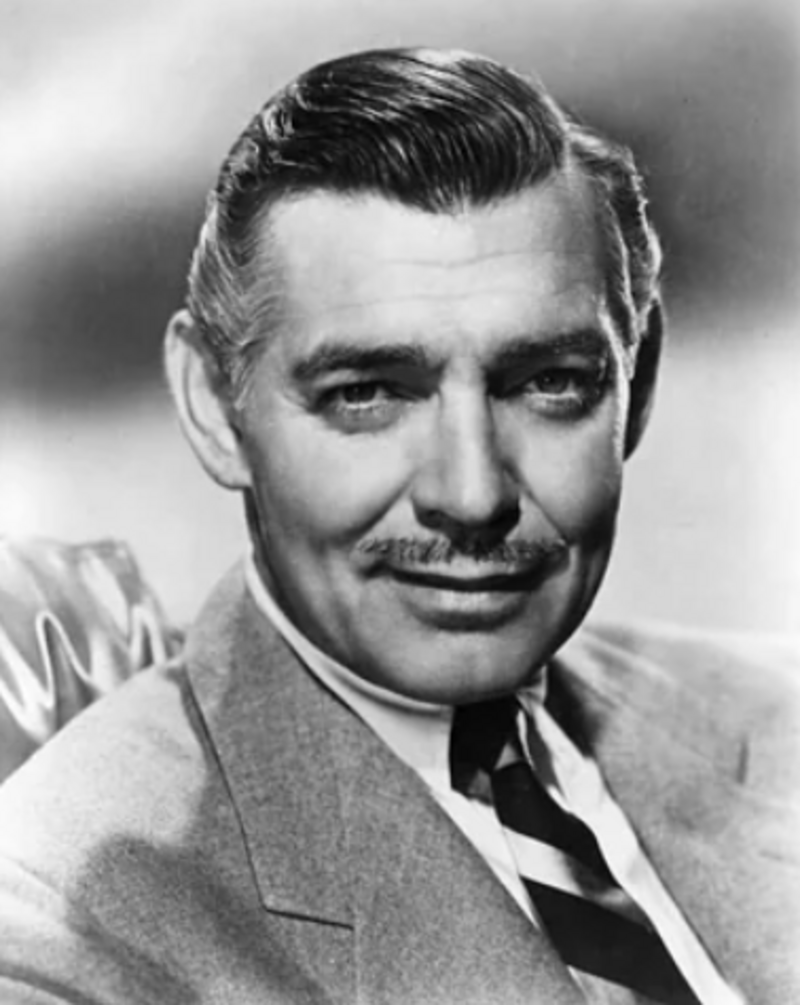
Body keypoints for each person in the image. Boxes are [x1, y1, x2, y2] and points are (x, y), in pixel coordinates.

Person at [0, 47, 797, 1005]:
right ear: (215, 405)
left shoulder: (774, 708)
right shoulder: (59, 925)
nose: (472, 493)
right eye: (369, 393)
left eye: (548, 383)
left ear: (642, 379)